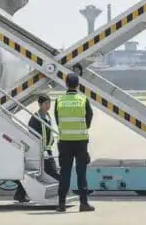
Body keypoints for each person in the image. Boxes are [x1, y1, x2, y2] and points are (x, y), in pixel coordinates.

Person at [54, 73, 94, 212]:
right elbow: (89, 118)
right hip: (81, 142)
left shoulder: (59, 101)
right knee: (81, 173)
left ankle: (61, 204)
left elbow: (58, 120)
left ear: (66, 84)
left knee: (65, 173)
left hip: (65, 141)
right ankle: (84, 203)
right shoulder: (83, 100)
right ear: (78, 85)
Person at [13, 94, 60, 203]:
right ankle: (62, 191)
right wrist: (41, 149)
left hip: (47, 150)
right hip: (40, 151)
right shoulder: (35, 119)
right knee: (53, 172)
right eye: (46, 104)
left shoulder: (47, 116)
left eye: (49, 103)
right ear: (40, 104)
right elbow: (33, 136)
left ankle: (20, 194)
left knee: (38, 174)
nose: (48, 106)